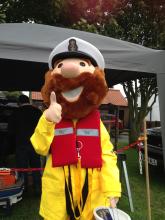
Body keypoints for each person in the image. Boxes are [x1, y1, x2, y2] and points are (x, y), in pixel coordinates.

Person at [31, 37, 121, 220]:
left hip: (92, 200)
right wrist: (47, 120)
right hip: (58, 201)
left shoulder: (97, 123)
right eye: (60, 65)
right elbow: (39, 147)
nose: (69, 69)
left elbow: (107, 157)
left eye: (82, 63)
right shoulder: (51, 117)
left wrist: (112, 190)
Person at [8, 94, 42, 195]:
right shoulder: (37, 112)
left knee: (22, 168)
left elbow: (11, 132)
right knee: (36, 167)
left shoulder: (15, 113)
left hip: (21, 144)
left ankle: (24, 189)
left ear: (19, 103)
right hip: (35, 144)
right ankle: (37, 188)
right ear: (29, 101)